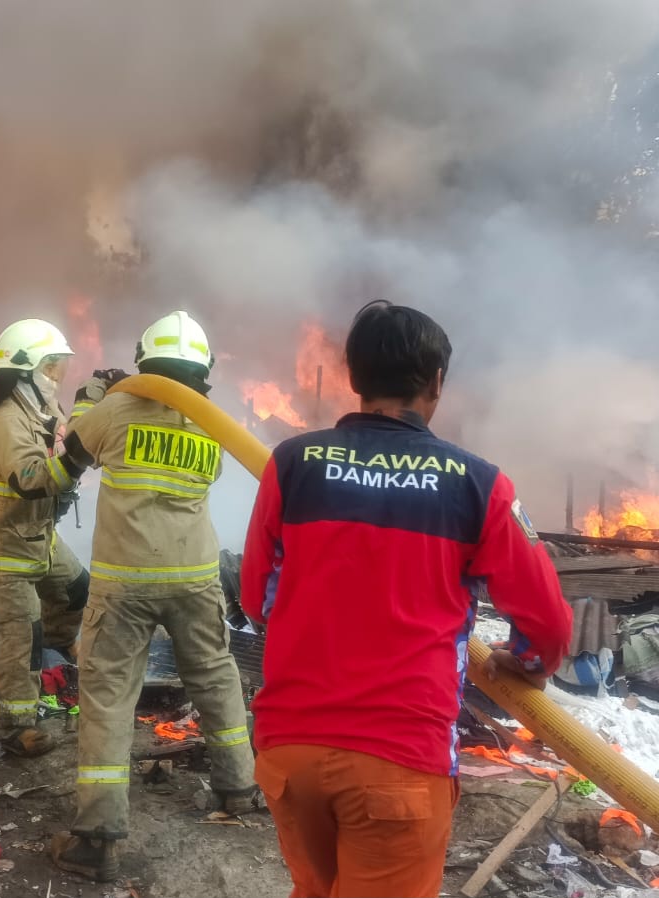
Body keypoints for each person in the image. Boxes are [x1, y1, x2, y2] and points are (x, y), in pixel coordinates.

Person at [241, 300, 573, 898]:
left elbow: (255, 596)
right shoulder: (479, 484)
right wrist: (523, 663)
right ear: (437, 382)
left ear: (352, 377)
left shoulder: (292, 463)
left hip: (290, 753)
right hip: (400, 762)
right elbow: (546, 621)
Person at [50, 310, 257, 882]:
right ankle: (239, 788)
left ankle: (97, 838)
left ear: (144, 362)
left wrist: (94, 395)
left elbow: (73, 452)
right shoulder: (215, 423)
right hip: (194, 577)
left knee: (110, 697)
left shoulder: (116, 409)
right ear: (204, 369)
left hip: (124, 582)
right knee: (216, 679)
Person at [0, 318, 92, 758]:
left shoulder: (37, 408)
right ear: (27, 369)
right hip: (1, 544)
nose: (59, 375)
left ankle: (58, 641)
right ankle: (12, 726)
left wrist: (90, 411)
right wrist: (77, 457)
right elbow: (31, 479)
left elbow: (64, 441)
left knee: (77, 591)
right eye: (53, 366)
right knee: (21, 631)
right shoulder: (5, 419)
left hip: (36, 534)